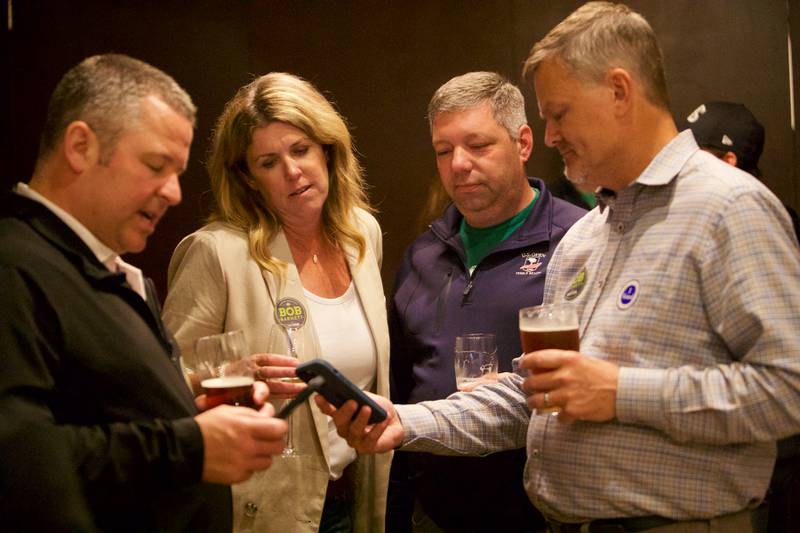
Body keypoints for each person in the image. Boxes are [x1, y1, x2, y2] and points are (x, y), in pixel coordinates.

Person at [317, 3, 800, 532]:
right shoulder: (589, 236)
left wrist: (618, 392)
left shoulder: (728, 208)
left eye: (559, 113)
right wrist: (405, 420)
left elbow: (789, 392)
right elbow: (536, 394)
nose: (547, 137)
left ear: (619, 91)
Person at [0, 54, 287, 532]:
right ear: (79, 146)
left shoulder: (110, 270)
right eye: (156, 165)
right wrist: (191, 446)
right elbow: (21, 458)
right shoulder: (15, 267)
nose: (174, 193)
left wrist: (183, 402)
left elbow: (96, 411)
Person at [162, 72, 391, 533]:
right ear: (247, 178)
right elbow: (162, 389)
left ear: (328, 149)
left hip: (355, 496)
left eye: (301, 150)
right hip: (263, 509)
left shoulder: (362, 233)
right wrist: (230, 379)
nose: (292, 171)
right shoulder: (217, 252)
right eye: (269, 161)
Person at [387, 71, 584, 533]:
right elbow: (400, 382)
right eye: (443, 150)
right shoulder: (423, 254)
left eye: (477, 146)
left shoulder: (578, 240)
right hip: (435, 512)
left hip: (539, 513)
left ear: (523, 143)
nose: (458, 164)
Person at [681, 100, 800, 532]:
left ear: (730, 160)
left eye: (696, 154)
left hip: (763, 450)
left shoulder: (758, 218)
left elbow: (782, 372)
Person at [681, 100, 800, 240]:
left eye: (695, 153)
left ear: (727, 161)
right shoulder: (685, 208)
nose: (682, 159)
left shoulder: (762, 222)